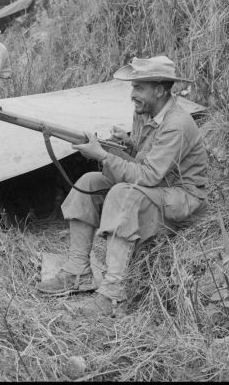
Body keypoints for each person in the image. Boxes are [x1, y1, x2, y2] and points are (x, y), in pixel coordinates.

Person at [36, 56, 208, 317]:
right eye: (133, 87)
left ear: (160, 90)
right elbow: (148, 159)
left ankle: (113, 293)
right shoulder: (145, 111)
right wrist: (128, 145)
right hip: (156, 189)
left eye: (139, 87)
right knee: (89, 183)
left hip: (181, 198)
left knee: (121, 194)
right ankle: (77, 271)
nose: (132, 94)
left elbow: (149, 175)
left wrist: (103, 156)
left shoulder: (177, 124)